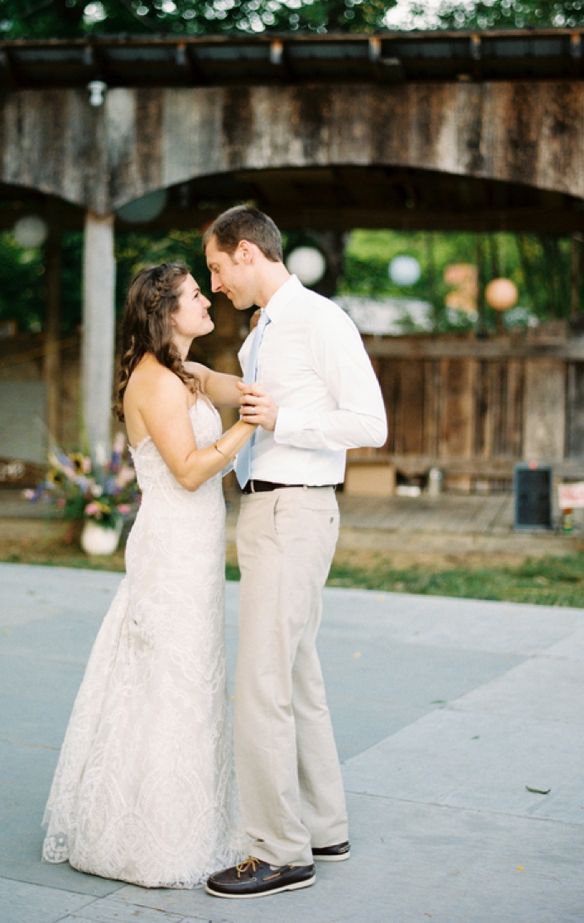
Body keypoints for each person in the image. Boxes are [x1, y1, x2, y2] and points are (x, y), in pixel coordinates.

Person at [41, 261, 256, 888]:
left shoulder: (182, 372)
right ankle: (155, 836)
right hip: (171, 548)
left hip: (195, 545)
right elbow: (189, 472)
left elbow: (221, 382)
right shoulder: (156, 383)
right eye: (195, 296)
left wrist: (264, 388)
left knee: (190, 673)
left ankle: (189, 815)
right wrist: (252, 424)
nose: (207, 301)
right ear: (166, 312)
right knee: (171, 677)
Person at [203, 205, 388, 899]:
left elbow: (370, 422)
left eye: (218, 268)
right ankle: (323, 825)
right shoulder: (265, 328)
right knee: (298, 675)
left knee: (262, 685)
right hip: (276, 507)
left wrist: (286, 419)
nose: (215, 283)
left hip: (294, 507)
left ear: (247, 252)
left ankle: (279, 850)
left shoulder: (318, 320)